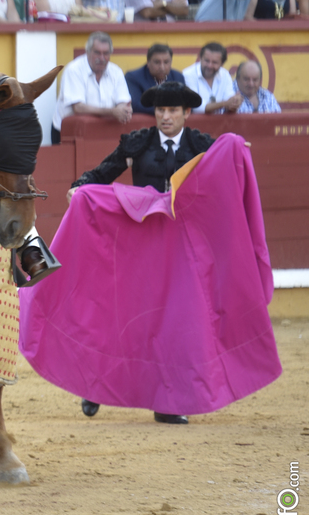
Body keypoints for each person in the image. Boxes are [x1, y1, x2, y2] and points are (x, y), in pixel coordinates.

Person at [21, 82, 283, 427]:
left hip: (180, 254)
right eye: (161, 111)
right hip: (139, 248)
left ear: (187, 114)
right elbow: (101, 174)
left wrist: (235, 149)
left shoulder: (201, 146)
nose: (166, 117)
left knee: (176, 324)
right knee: (121, 315)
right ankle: (95, 386)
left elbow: (226, 165)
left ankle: (169, 400)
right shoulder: (137, 142)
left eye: (173, 111)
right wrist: (80, 187)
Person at [53, 31, 131, 144]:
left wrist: (123, 110)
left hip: (103, 132)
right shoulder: (74, 70)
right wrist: (113, 112)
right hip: (69, 133)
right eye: (97, 53)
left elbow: (124, 101)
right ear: (88, 52)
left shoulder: (116, 71)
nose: (102, 58)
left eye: (106, 53)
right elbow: (78, 108)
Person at [126, 44, 186, 115]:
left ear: (171, 62)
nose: (162, 67)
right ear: (148, 62)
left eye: (166, 62)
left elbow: (185, 104)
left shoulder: (178, 77)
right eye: (157, 62)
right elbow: (136, 106)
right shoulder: (133, 77)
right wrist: (170, 108)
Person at [182, 42, 242, 114]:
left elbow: (229, 100)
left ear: (222, 64)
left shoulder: (225, 75)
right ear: (200, 58)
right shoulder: (188, 74)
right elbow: (196, 106)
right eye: (207, 61)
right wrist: (224, 104)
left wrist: (235, 102)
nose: (209, 66)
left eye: (214, 62)